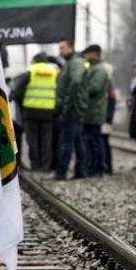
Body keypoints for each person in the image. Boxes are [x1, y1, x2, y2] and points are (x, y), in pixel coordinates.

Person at [14, 52, 58, 172]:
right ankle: (46, 166)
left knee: (32, 140)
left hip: (31, 111)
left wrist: (23, 104)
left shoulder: (30, 72)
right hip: (48, 111)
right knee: (46, 139)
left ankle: (35, 165)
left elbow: (17, 92)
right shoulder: (54, 73)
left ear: (35, 60)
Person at [54, 39, 88, 180]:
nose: (60, 51)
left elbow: (76, 82)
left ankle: (61, 173)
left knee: (67, 142)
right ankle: (81, 171)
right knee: (77, 141)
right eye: (59, 48)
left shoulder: (75, 63)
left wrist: (67, 104)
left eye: (63, 48)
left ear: (71, 48)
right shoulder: (70, 63)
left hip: (72, 108)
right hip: (73, 107)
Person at [81, 44, 110, 177]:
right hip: (90, 111)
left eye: (87, 53)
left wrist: (81, 89)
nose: (85, 56)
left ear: (94, 54)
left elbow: (94, 88)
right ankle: (92, 167)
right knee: (91, 140)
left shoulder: (99, 70)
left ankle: (97, 168)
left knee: (95, 141)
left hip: (95, 111)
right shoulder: (93, 68)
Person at [101, 63, 116, 174]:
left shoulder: (107, 84)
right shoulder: (108, 84)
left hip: (105, 119)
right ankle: (107, 166)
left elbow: (111, 103)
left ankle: (107, 166)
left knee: (104, 141)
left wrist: (107, 119)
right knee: (104, 142)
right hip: (106, 117)